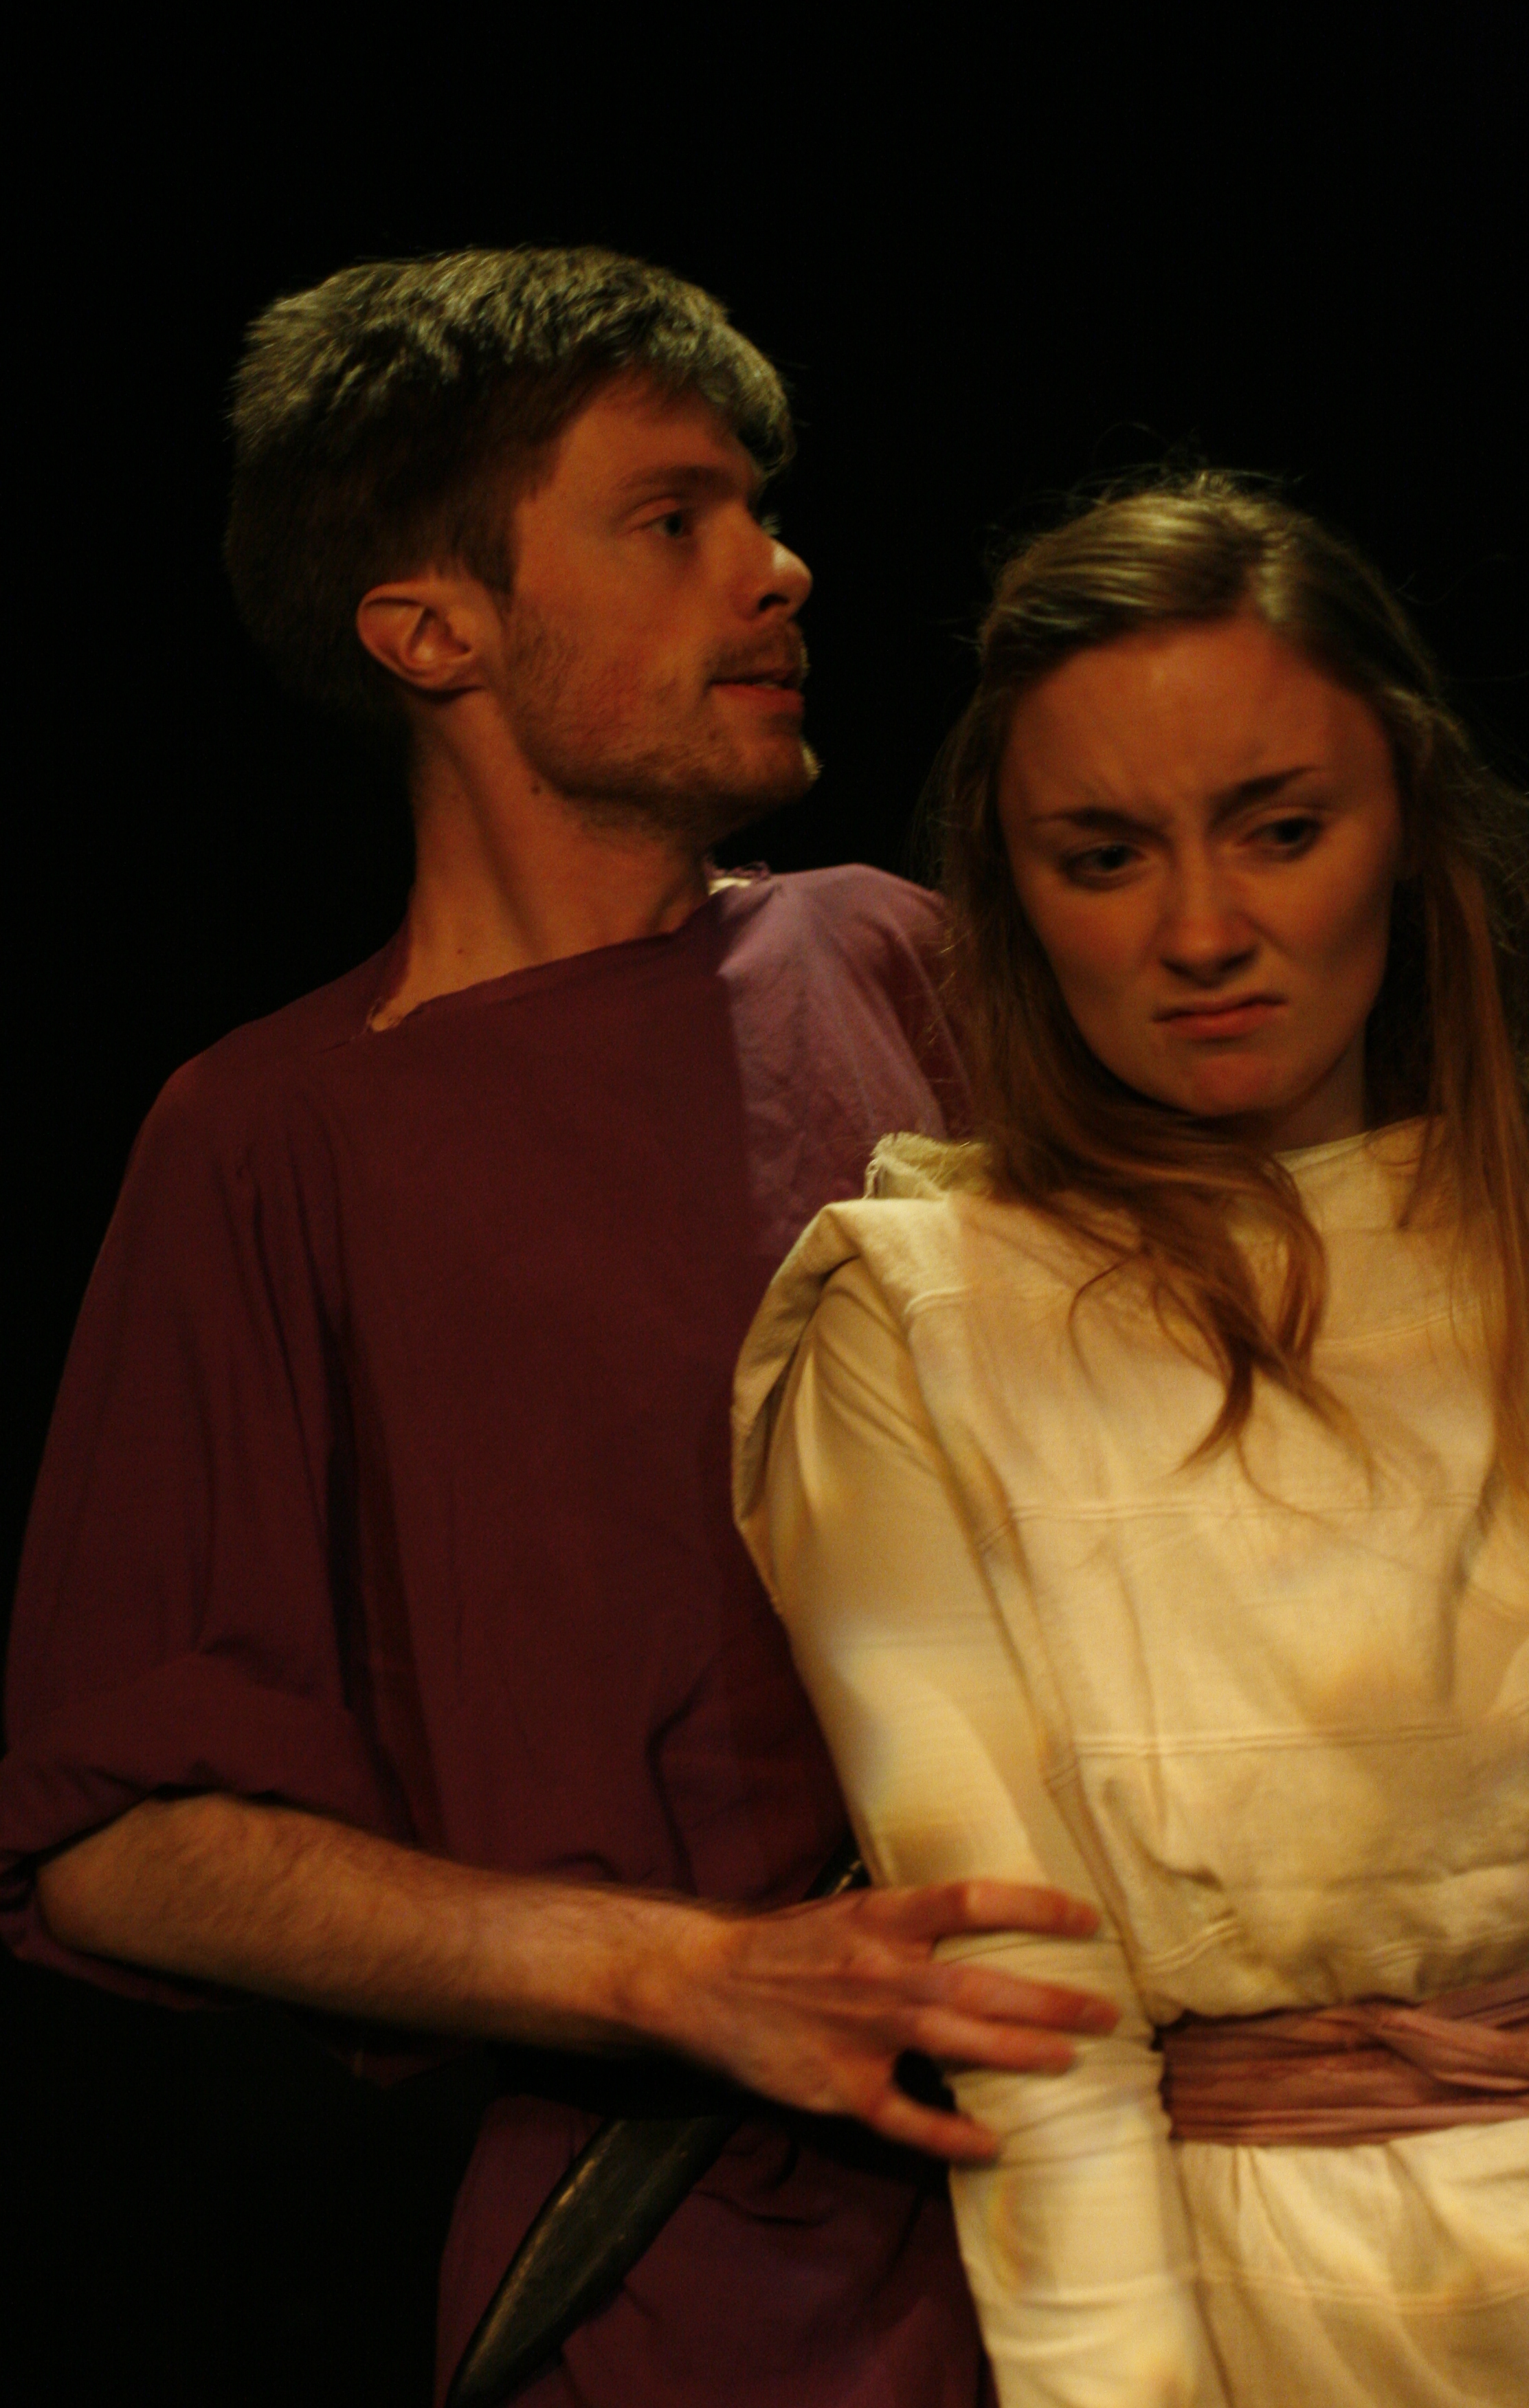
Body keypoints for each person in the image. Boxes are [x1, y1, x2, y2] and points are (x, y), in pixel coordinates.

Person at [0, 246, 1119, 2407]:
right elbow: (120, 1840)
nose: (776, 569)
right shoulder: (271, 1137)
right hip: (701, 2279)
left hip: (1146, 2172)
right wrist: (683, 1972)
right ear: (431, 631)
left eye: (759, 509)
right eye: (672, 519)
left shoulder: (889, 956)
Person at [733, 474, 1529, 2407]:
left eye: (1281, 831)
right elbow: (1037, 2039)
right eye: (1105, 856)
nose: (1204, 931)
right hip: (1293, 2312)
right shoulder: (928, 1319)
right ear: (1012, 887)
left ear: (1406, 818)